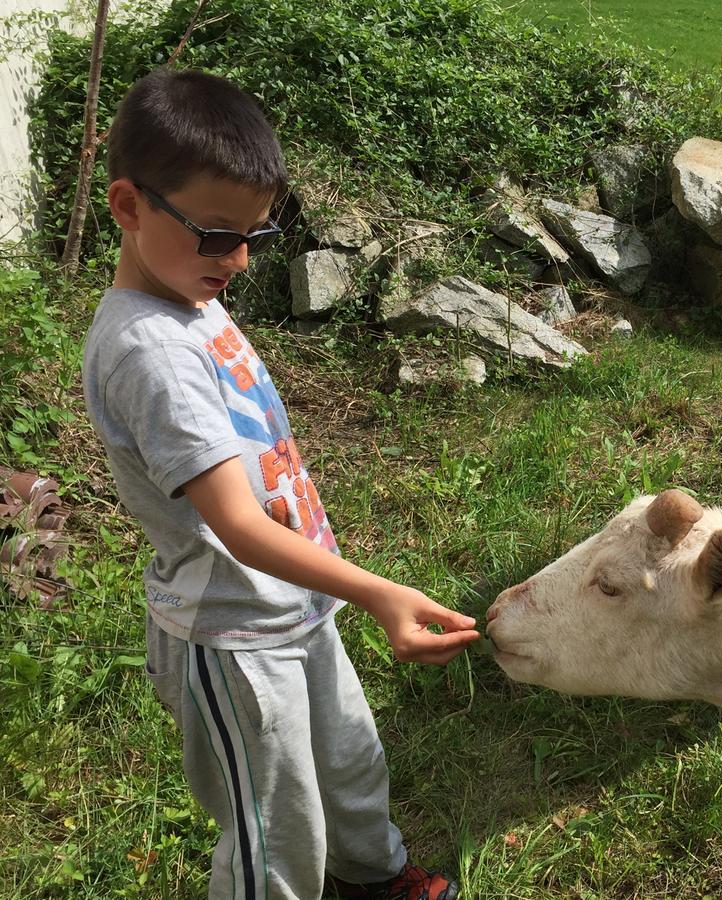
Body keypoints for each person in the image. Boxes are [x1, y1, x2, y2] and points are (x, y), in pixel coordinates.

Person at [81, 67, 478, 900]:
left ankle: (376, 879)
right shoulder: (152, 353)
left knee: (349, 763)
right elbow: (235, 521)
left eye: (256, 237)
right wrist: (378, 593)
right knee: (275, 823)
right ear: (128, 206)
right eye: (218, 234)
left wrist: (337, 594)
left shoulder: (188, 295)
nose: (240, 261)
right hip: (232, 638)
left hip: (292, 606)